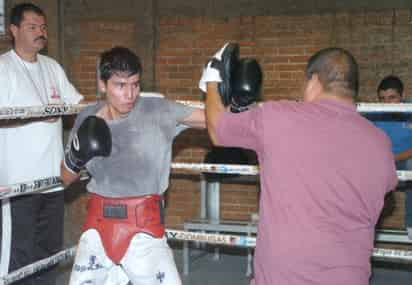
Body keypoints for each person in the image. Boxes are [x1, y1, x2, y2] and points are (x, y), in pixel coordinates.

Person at [201, 45, 398, 285]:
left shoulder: (280, 116)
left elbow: (219, 129)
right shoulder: (379, 141)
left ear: (314, 81)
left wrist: (212, 79)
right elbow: (386, 198)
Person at [61, 46, 205, 285]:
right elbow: (65, 178)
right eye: (120, 85)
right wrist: (75, 156)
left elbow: (212, 121)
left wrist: (231, 101)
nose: (129, 94)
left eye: (135, 85)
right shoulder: (87, 118)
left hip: (145, 231)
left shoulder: (158, 110)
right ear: (102, 84)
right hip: (97, 228)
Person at [0, 3, 83, 284]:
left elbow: (76, 104)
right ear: (13, 30)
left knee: (49, 253)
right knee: (20, 257)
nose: (40, 32)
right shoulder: (3, 68)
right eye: (32, 27)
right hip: (18, 184)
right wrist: (37, 116)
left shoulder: (52, 67)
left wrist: (108, 104)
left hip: (53, 178)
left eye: (43, 27)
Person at [369, 75, 412, 239]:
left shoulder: (410, 110)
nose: (386, 103)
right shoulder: (375, 114)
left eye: (392, 98)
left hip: (404, 162)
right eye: (382, 99)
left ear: (402, 96)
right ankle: (366, 226)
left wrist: (392, 159)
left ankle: (411, 224)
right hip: (383, 163)